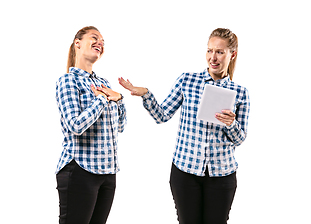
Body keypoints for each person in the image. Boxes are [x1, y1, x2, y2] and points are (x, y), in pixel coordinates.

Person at [119, 28, 250, 224]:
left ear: (232, 54)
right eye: (209, 50)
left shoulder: (240, 92)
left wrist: (231, 124)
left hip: (222, 175)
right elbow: (162, 116)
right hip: (185, 172)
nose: (213, 57)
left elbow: (240, 139)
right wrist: (146, 93)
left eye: (220, 52)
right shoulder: (187, 81)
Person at [55, 26, 126, 224]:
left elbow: (120, 126)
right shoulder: (68, 81)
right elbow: (75, 126)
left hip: (107, 172)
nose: (100, 43)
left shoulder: (103, 82)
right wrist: (102, 100)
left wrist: (119, 98)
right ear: (77, 43)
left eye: (103, 42)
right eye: (94, 38)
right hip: (79, 170)